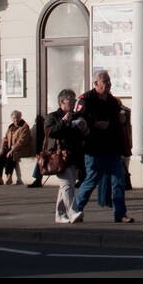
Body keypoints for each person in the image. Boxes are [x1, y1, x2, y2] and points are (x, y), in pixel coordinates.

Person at [71, 70, 135, 223]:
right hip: (94, 148)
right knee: (91, 180)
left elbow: (117, 123)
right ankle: (75, 210)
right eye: (105, 81)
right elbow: (77, 120)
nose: (108, 84)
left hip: (112, 148)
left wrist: (120, 120)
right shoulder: (86, 99)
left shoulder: (113, 102)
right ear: (96, 83)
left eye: (109, 81)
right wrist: (94, 125)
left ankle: (120, 214)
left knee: (118, 181)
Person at [46, 89, 86, 222]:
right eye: (71, 100)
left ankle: (60, 214)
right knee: (67, 185)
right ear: (62, 101)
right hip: (59, 157)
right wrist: (63, 121)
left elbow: (80, 137)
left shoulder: (76, 116)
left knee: (66, 186)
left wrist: (83, 127)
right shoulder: (52, 116)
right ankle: (73, 212)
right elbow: (50, 133)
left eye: (75, 100)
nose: (74, 102)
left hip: (74, 155)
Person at [0, 110, 34, 185]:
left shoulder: (24, 127)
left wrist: (12, 150)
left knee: (11, 155)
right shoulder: (11, 127)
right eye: (14, 118)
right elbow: (5, 139)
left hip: (22, 149)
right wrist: (0, 152)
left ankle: (9, 176)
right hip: (11, 148)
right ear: (11, 118)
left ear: (20, 117)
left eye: (17, 117)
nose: (16, 119)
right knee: (2, 156)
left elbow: (22, 141)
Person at [27, 113, 47, 188]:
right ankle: (38, 179)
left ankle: (38, 179)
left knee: (41, 159)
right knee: (40, 160)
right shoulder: (39, 129)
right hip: (46, 150)